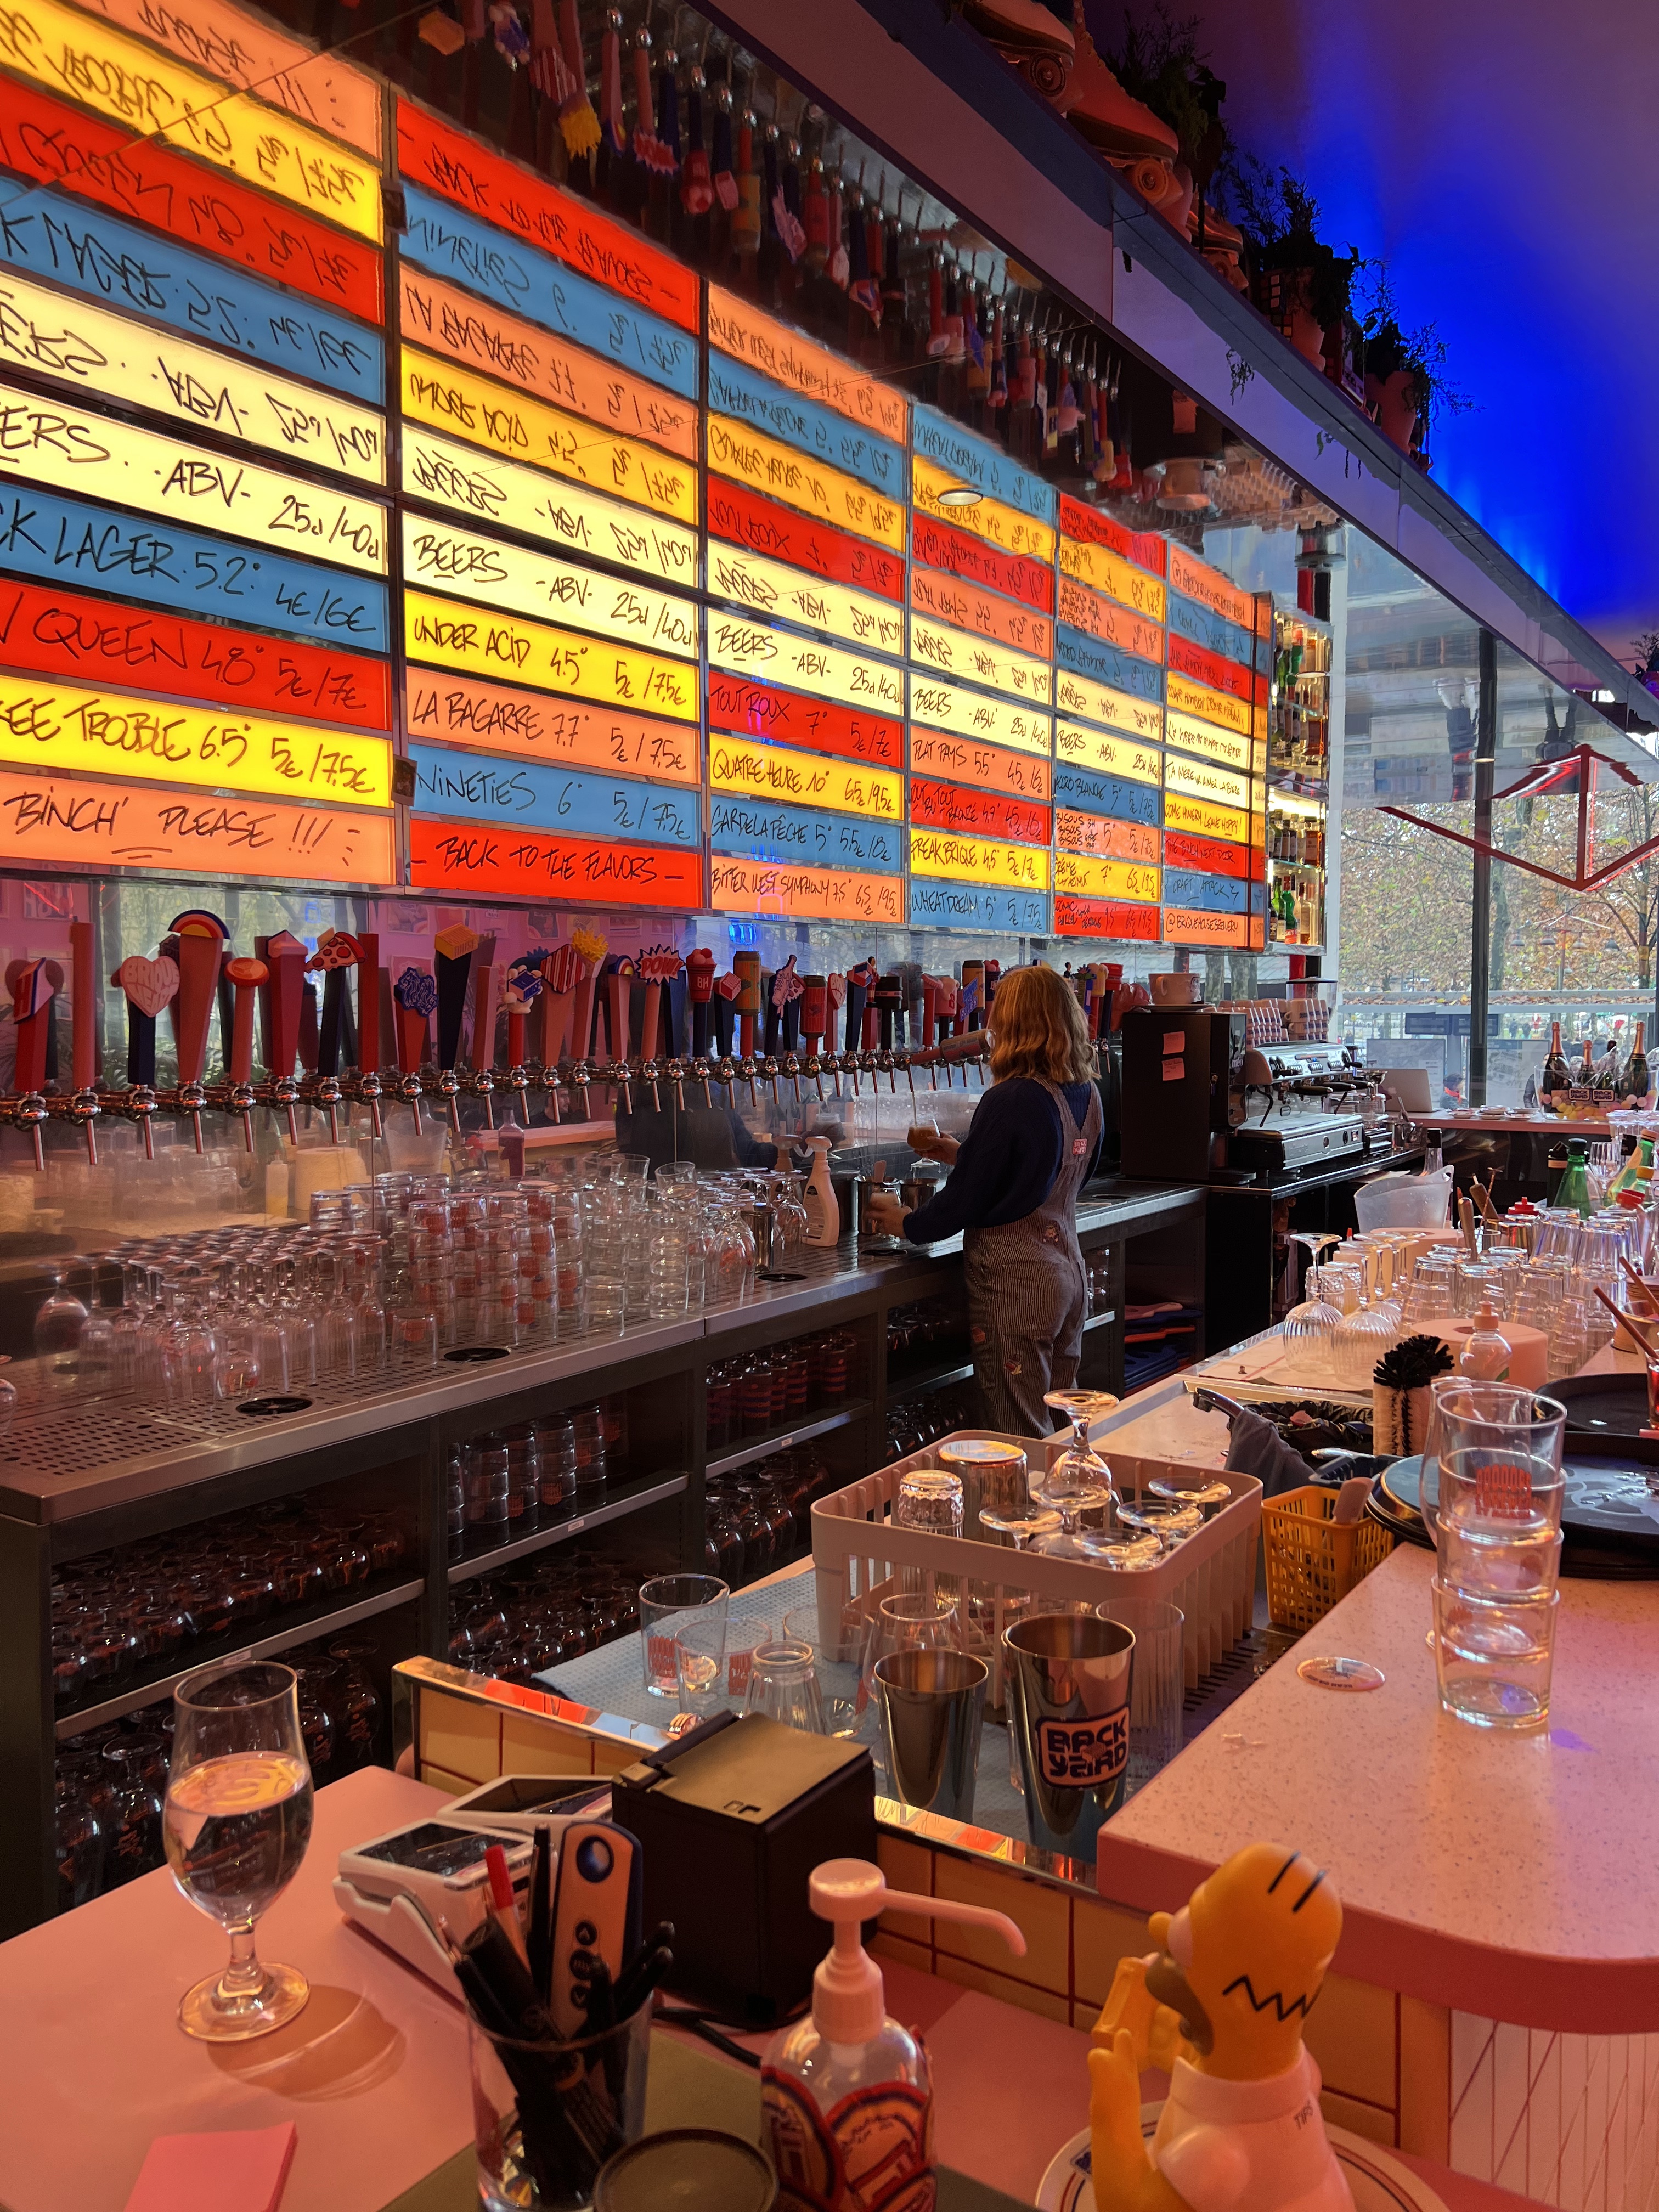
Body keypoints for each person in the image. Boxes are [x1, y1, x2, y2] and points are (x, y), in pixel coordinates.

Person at [865, 964, 1102, 1436]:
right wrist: (966, 1155)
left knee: (1018, 1432)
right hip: (1069, 1277)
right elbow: (1057, 1171)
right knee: (1061, 1423)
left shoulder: (1012, 1097)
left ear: (1011, 1023)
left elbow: (965, 1201)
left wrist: (907, 1223)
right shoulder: (1086, 1093)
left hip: (1018, 1287)